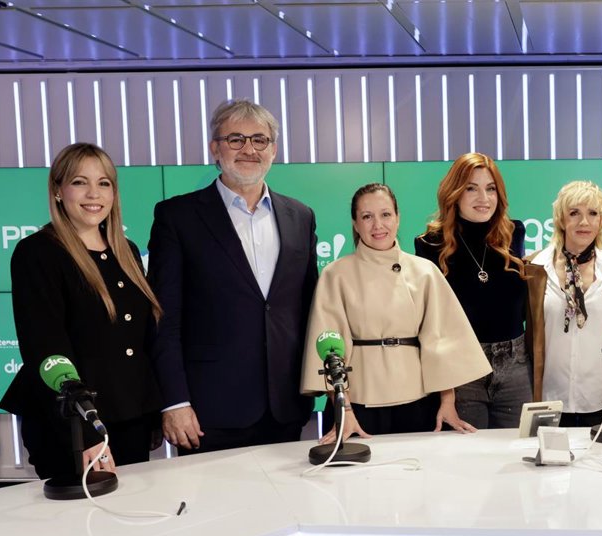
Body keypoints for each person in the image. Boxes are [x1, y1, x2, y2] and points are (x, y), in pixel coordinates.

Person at [148, 99, 318, 453]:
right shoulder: (177, 217)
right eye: (236, 139)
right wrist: (174, 401)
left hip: (285, 406)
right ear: (215, 148)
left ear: (273, 150)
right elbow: (164, 317)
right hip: (208, 411)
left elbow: (309, 310)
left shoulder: (301, 216)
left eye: (260, 140)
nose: (249, 150)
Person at [0, 143, 162, 479]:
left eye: (104, 183)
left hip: (130, 417)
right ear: (58, 190)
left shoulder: (127, 251)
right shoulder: (38, 253)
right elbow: (44, 348)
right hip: (70, 426)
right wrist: (85, 431)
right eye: (79, 182)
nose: (94, 194)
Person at [301, 183, 489, 438]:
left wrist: (447, 402)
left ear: (398, 218)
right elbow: (329, 351)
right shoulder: (335, 275)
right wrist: (343, 410)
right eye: (367, 217)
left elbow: (442, 343)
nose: (378, 225)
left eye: (386, 214)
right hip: (358, 405)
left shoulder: (425, 272)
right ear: (355, 224)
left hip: (419, 400)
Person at [414, 153, 529, 429]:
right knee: (468, 453)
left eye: (491, 188)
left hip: (515, 367)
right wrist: (446, 391)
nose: (484, 198)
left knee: (518, 451)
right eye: (471, 189)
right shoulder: (430, 244)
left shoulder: (513, 233)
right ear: (454, 193)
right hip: (461, 371)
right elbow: (431, 326)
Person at [522, 180, 602, 427]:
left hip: (599, 398)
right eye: (574, 213)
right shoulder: (534, 268)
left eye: (593, 213)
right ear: (560, 219)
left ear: (601, 220)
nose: (584, 222)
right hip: (549, 397)